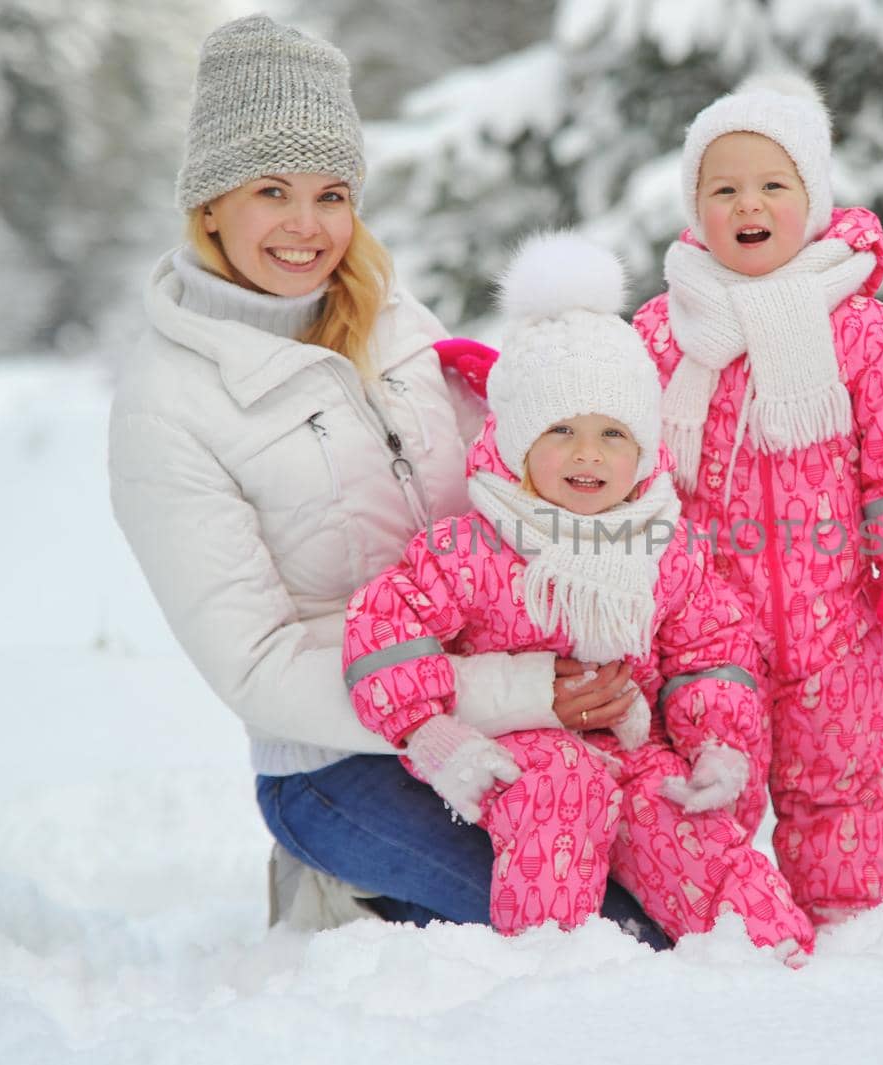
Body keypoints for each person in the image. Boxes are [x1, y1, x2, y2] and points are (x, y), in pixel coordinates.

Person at [107, 14, 662, 941]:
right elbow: (259, 667)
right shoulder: (168, 407)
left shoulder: (392, 318)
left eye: (332, 194)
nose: (306, 226)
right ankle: (342, 885)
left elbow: (504, 480)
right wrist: (522, 689)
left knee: (675, 885)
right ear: (210, 203)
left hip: (520, 699)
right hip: (339, 760)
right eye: (271, 190)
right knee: (603, 927)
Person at [341, 233, 814, 956]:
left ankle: (773, 959)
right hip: (530, 754)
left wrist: (719, 744)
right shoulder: (474, 547)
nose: (588, 453)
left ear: (646, 447)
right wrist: (430, 733)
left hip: (637, 745)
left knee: (679, 818)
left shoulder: (664, 546)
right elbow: (384, 624)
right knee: (563, 788)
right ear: (519, 443)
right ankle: (554, 971)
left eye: (612, 432)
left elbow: (713, 649)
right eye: (559, 429)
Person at [632, 75, 883, 925]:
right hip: (708, 633)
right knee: (712, 786)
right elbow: (615, 449)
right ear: (695, 207)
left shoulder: (870, 333)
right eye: (724, 187)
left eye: (772, 184)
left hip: (838, 622)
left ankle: (845, 922)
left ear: (811, 200)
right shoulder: (664, 334)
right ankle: (726, 931)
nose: (749, 203)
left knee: (838, 786)